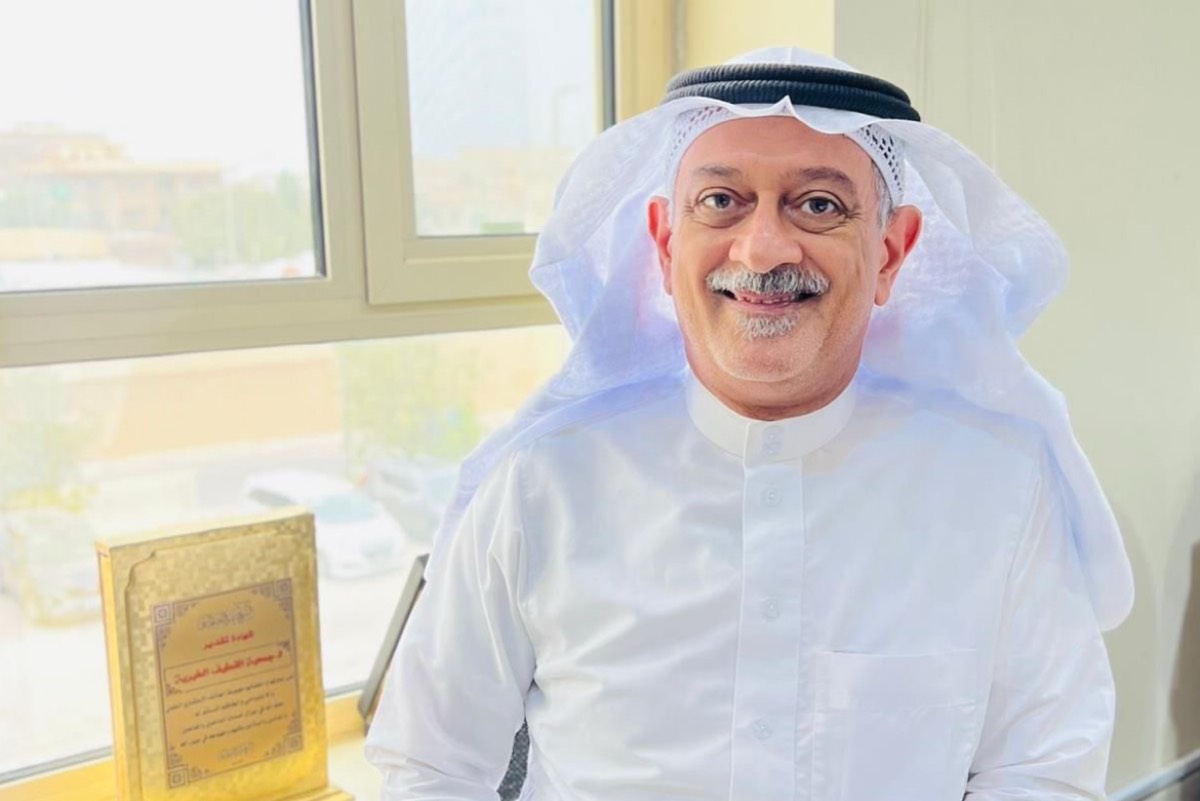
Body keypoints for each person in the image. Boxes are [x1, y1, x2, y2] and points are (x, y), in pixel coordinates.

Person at [365, 47, 1132, 800]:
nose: (763, 249)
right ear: (666, 243)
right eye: (721, 201)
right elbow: (429, 768)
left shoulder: (998, 486)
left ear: (892, 252)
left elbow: (1043, 767)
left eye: (819, 204)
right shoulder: (541, 484)